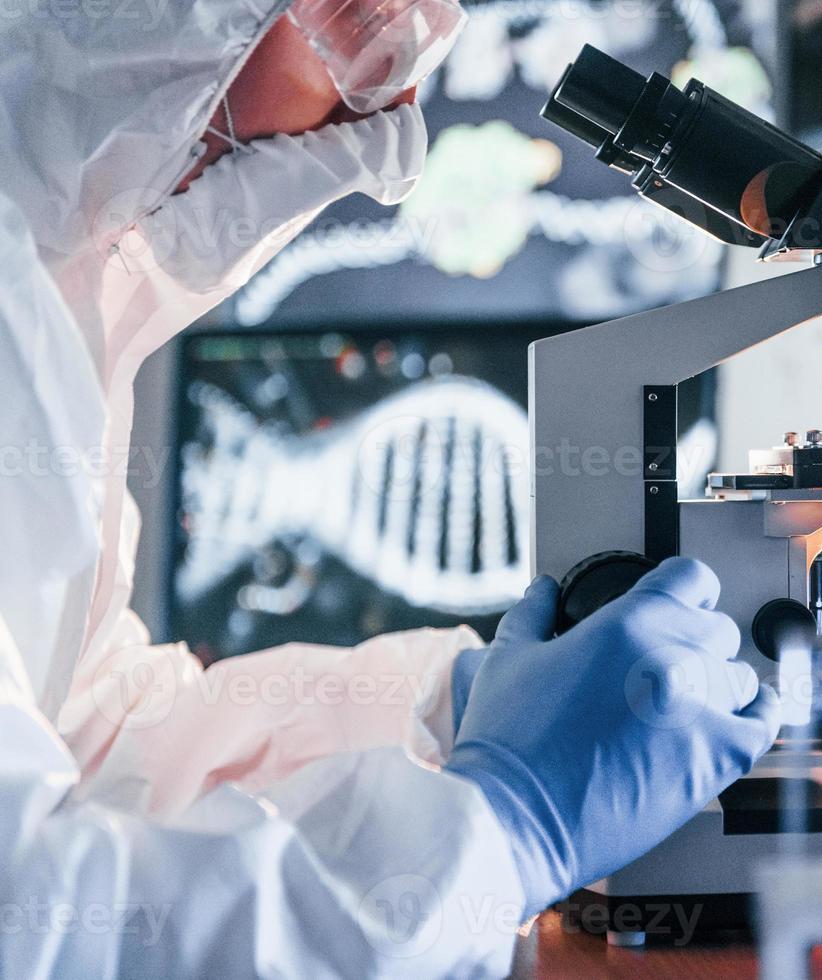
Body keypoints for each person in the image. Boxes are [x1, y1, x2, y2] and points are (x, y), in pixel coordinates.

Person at [0, 2, 780, 976]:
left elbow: (95, 742)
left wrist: (440, 714)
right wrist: (503, 824)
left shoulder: (42, 275)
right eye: (367, 25)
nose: (391, 93)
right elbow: (43, 920)